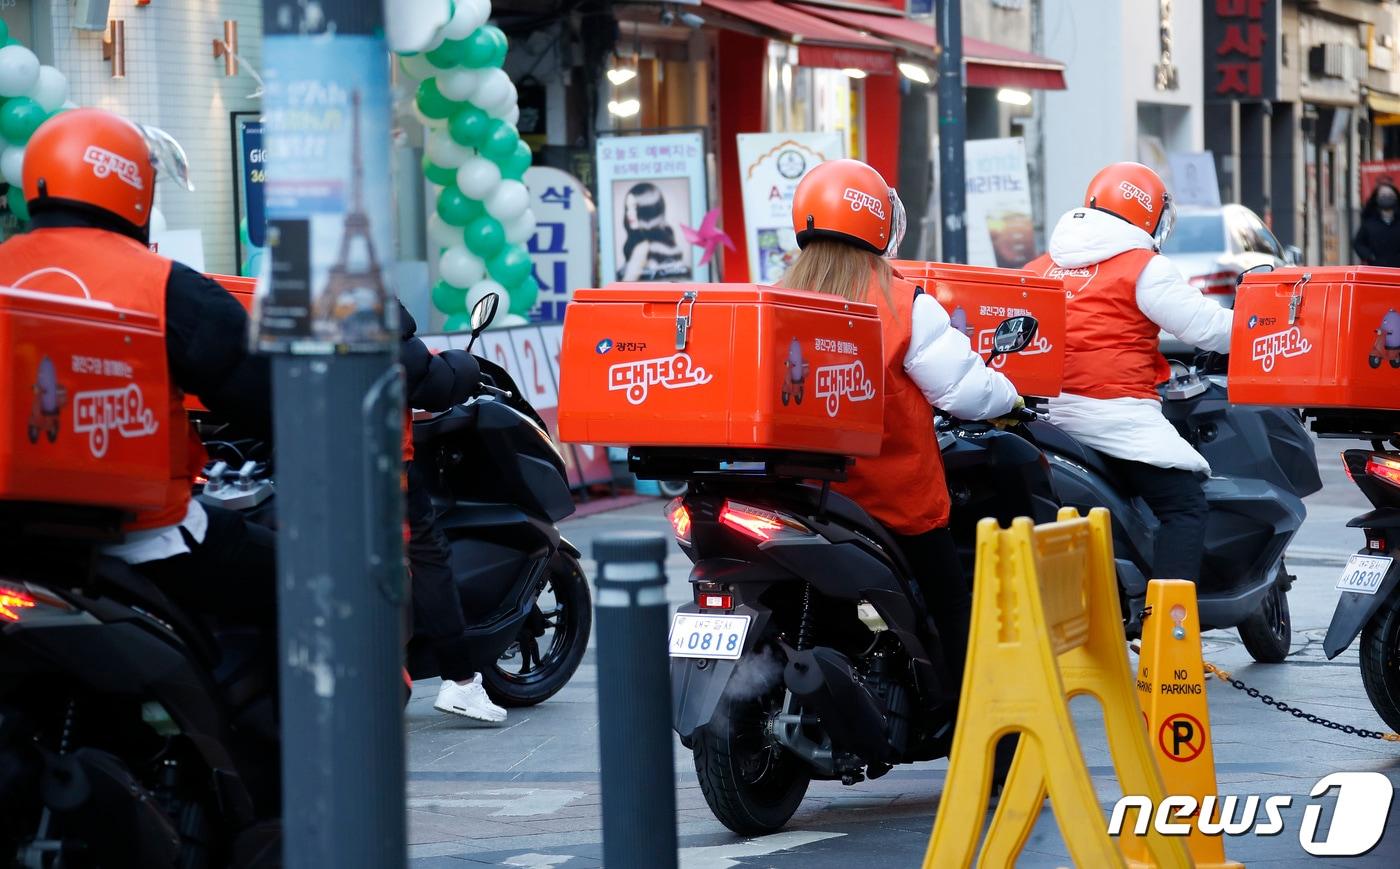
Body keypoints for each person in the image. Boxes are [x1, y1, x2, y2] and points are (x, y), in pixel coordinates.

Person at [0, 108, 278, 636]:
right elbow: (265, 396)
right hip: (142, 533)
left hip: (17, 539)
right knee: (300, 579)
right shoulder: (167, 285)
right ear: (131, 185)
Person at [782, 159, 1020, 700]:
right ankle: (988, 744)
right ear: (878, 223)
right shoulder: (901, 301)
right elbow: (964, 391)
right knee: (951, 607)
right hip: (891, 501)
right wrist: (1011, 396)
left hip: (800, 499)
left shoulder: (777, 298)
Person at [1026, 162, 1233, 583]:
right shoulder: (1143, 267)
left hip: (1044, 418)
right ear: (1148, 214)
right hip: (1112, 415)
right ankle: (1170, 630)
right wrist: (1263, 324)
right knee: (1185, 505)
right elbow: (1209, 328)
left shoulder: (1039, 266)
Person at [398, 303, 508, 723]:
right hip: (379, 469)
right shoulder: (367, 305)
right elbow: (431, 382)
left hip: (302, 469)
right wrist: (461, 366)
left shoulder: (288, 302)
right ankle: (461, 682)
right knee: (429, 559)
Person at [616, 182, 690, 281]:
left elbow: (624, 288)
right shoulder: (655, 246)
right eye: (627, 208)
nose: (629, 213)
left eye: (635, 207)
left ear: (649, 210)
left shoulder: (642, 248)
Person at [1353, 180, 1400, 268]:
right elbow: (1358, 243)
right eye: (1383, 195)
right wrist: (1370, 256)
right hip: (1376, 269)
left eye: (1390, 195)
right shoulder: (1369, 223)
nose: (1387, 198)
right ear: (1376, 198)